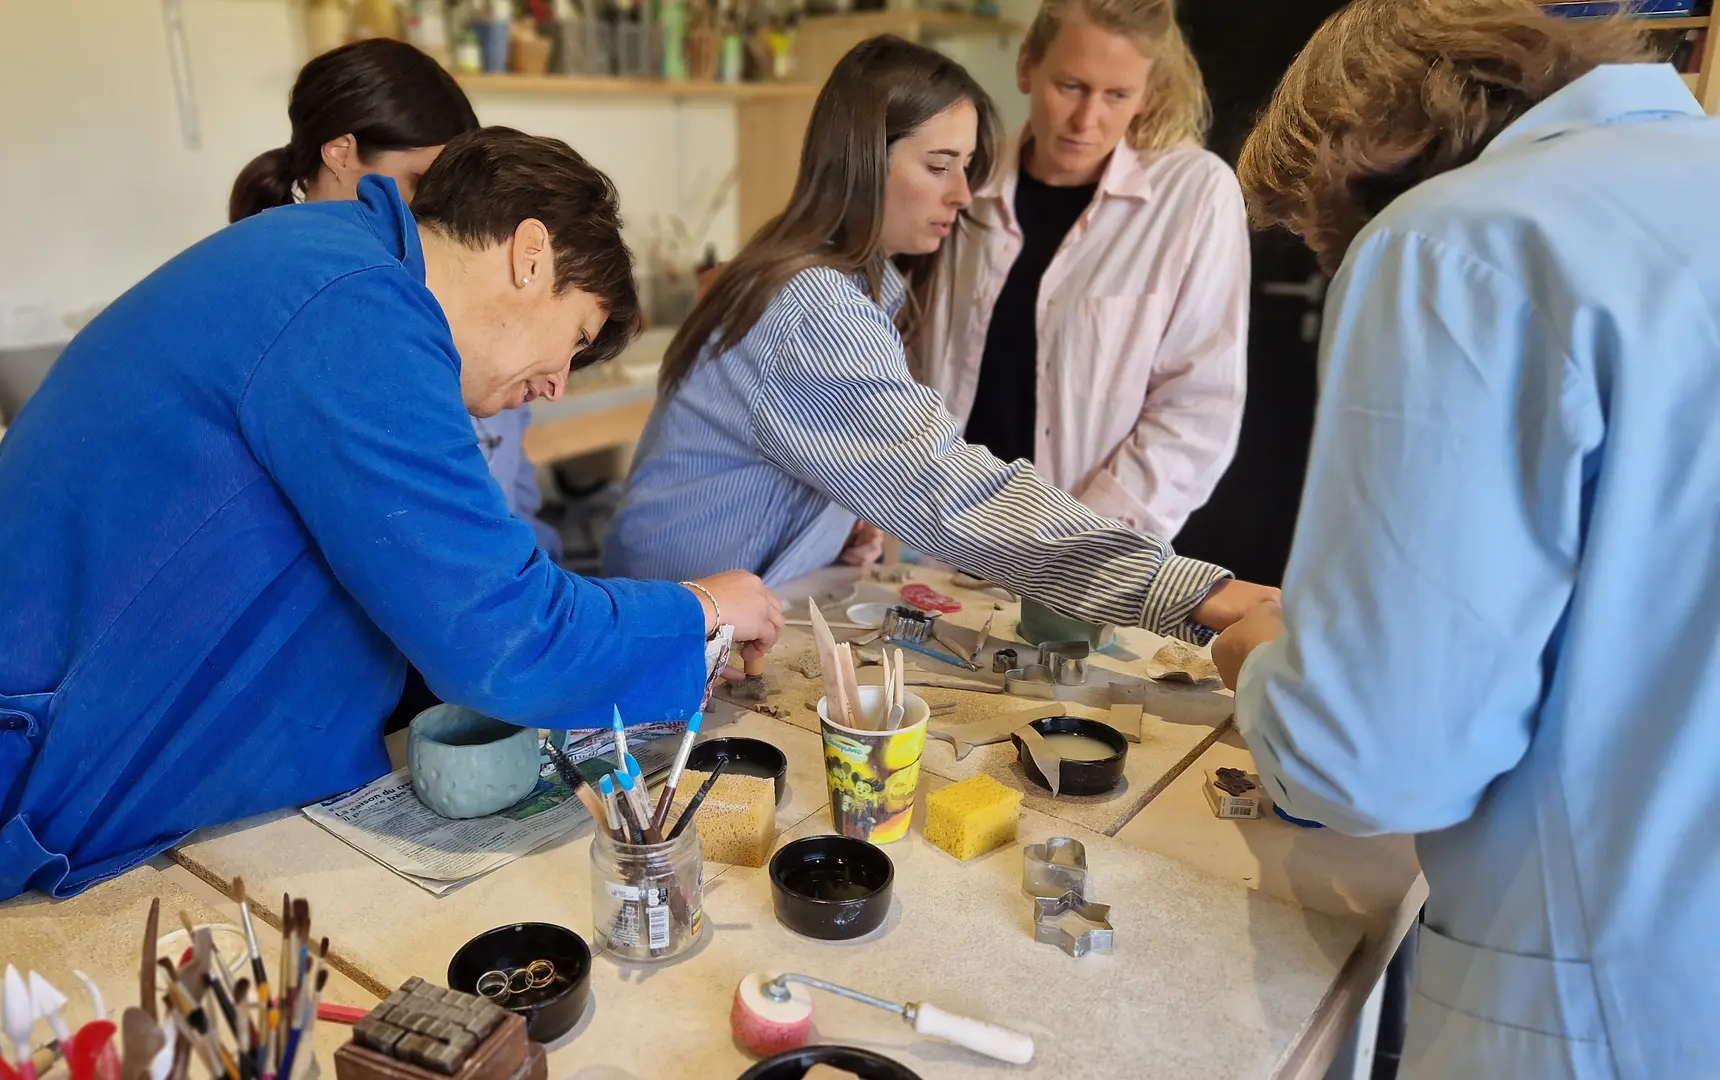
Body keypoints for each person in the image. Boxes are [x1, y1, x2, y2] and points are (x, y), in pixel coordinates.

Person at [0, 128, 780, 953]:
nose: (558, 384)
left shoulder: (331, 262)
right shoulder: (357, 313)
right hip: (11, 774)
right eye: (572, 337)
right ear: (530, 256)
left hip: (76, 744)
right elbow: (501, 630)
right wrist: (699, 610)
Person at [1209, 2, 1718, 1075]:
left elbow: (1374, 759)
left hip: (1595, 1012)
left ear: (1370, 148)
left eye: (1325, 232)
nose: (1335, 257)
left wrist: (1262, 664)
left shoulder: (1456, 238)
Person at [605, 36, 1275, 641]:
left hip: (697, 616)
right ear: (865, 162)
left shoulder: (819, 277)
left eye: (968, 167)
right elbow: (948, 488)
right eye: (939, 165)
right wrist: (1182, 587)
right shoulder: (816, 309)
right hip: (665, 637)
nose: (962, 194)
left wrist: (834, 520)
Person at [919, 0, 1247, 539]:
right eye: (1070, 86)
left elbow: (1197, 409)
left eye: (1117, 95)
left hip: (1087, 554)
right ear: (1027, 67)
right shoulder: (965, 182)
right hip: (939, 539)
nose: (1086, 120)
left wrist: (1077, 545)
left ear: (1145, 94)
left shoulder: (1193, 195)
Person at [228, 38, 561, 558]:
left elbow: (515, 505)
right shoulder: (292, 312)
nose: (437, 217)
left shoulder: (441, 309)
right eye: (420, 184)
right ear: (340, 153)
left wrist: (550, 587)